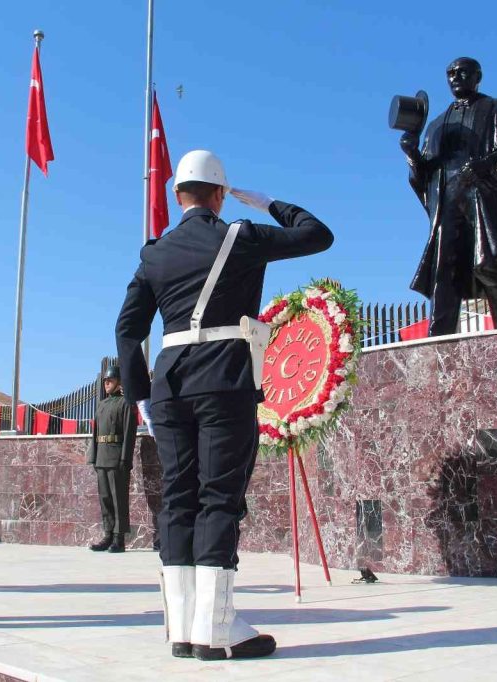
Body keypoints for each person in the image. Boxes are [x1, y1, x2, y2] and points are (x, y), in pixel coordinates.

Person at [115, 150, 334, 661]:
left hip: (169, 386)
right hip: (224, 380)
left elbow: (127, 329)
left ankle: (181, 628)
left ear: (178, 196)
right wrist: (272, 203)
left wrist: (139, 393)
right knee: (218, 497)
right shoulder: (239, 236)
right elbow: (318, 234)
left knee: (178, 498)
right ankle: (216, 630)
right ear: (219, 194)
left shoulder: (154, 254)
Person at [400, 57, 497, 336]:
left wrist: (485, 166)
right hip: (447, 203)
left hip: (483, 199)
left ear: (478, 76)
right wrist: (411, 153)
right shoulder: (436, 125)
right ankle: (437, 346)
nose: (455, 77)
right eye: (450, 73)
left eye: (462, 72)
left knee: (495, 268)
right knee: (444, 274)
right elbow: (424, 176)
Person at [85, 365, 138, 553]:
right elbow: (95, 433)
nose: (107, 383)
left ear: (119, 383)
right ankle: (108, 535)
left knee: (118, 499)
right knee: (105, 498)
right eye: (105, 381)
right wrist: (93, 457)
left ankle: (119, 538)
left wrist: (125, 459)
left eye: (110, 380)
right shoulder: (101, 405)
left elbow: (129, 433)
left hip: (117, 457)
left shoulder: (126, 403)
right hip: (102, 457)